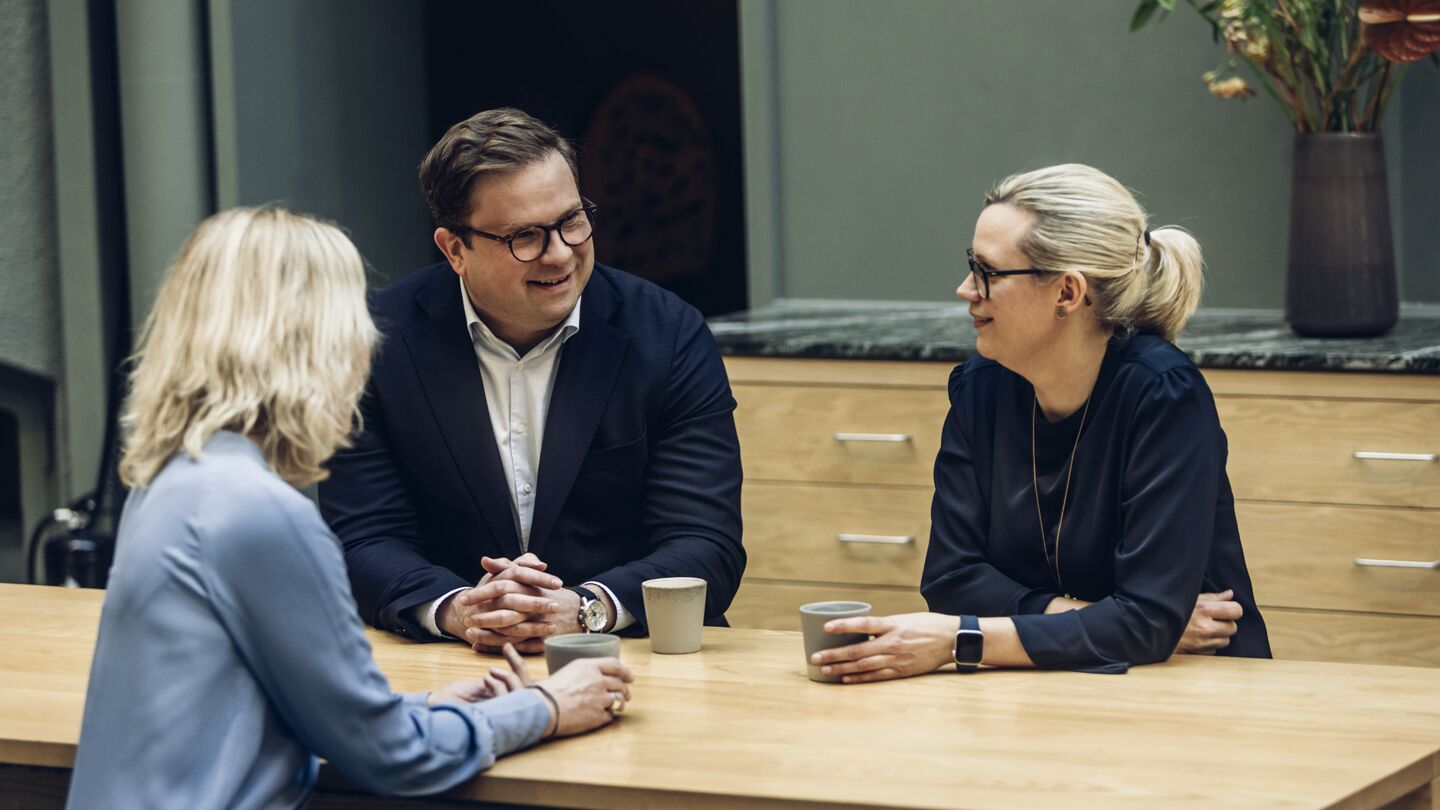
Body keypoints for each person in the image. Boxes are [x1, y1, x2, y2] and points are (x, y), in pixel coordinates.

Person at [67, 208, 633, 809]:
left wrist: (428, 706)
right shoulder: (261, 513)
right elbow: (389, 756)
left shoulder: (168, 480)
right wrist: (546, 706)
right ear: (316, 341)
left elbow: (278, 703)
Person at [812, 165, 1271, 682]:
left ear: (1067, 293)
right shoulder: (981, 386)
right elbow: (951, 578)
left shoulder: (1163, 394)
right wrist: (1097, 620)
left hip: (1197, 688)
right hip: (1045, 683)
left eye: (987, 271)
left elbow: (1143, 624)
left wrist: (963, 638)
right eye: (970, 265)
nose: (965, 289)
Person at [319, 108, 744, 652]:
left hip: (633, 653)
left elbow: (706, 544)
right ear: (455, 250)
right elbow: (362, 539)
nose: (562, 252)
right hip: (451, 663)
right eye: (526, 236)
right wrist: (456, 609)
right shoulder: (371, 342)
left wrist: (586, 608)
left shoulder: (668, 333)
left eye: (572, 220)